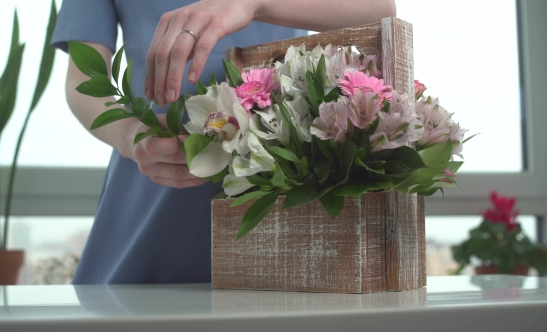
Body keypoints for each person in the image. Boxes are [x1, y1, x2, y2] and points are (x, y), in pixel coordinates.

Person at [51, 0, 396, 284]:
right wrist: (130, 136)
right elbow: (84, 80)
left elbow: (379, 9)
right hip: (156, 173)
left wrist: (250, 3)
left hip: (272, 180)